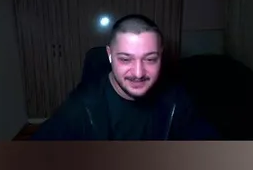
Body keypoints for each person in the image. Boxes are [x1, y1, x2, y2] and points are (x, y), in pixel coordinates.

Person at [33, 14, 215, 140]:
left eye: (150, 59)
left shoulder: (176, 100)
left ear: (161, 55)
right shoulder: (81, 107)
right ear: (110, 55)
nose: (138, 73)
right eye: (126, 59)